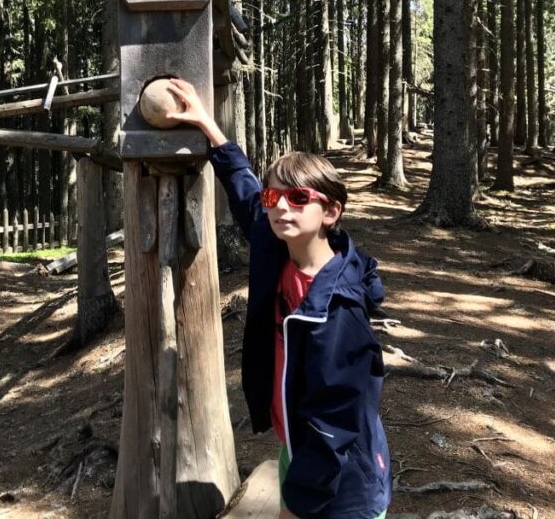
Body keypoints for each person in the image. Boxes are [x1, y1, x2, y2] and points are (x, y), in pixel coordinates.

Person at [166, 79, 391, 519]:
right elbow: (248, 193)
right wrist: (211, 128)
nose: (281, 206)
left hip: (343, 482)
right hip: (298, 449)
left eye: (299, 197)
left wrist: (297, 506)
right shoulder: (277, 248)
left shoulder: (339, 308)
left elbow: (333, 424)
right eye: (276, 197)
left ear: (330, 212)